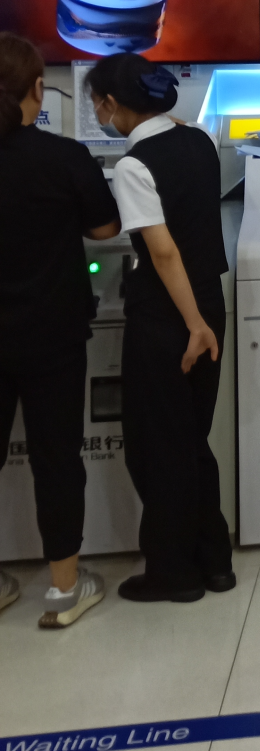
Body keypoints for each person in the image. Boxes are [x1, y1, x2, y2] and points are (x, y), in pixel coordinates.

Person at [86, 52, 233, 604]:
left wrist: (191, 326)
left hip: (169, 317)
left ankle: (173, 574)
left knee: (157, 448)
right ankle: (215, 562)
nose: (97, 113)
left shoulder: (133, 166)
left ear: (111, 103)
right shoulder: (201, 141)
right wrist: (203, 321)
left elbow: (163, 252)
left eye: (96, 103)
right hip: (209, 305)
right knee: (193, 440)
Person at [0, 34, 120, 628]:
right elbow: (104, 231)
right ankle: (65, 590)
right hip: (52, 333)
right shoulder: (63, 157)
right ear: (36, 89)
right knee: (56, 458)